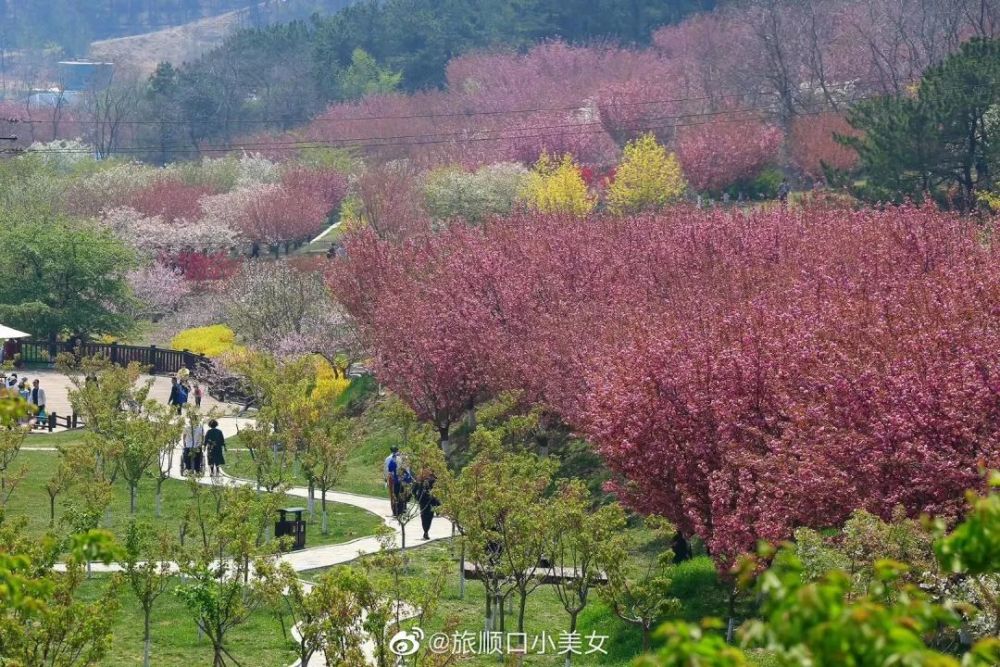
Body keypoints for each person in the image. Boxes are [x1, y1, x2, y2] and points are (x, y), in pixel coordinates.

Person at [413, 471, 440, 540]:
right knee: (424, 517)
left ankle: (426, 531)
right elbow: (414, 490)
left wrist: (437, 502)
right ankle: (425, 531)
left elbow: (437, 492)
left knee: (429, 517)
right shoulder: (420, 481)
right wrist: (417, 498)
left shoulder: (434, 481)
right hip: (423, 501)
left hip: (431, 501)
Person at [384, 446, 400, 515]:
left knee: (392, 494)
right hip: (399, 478)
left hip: (391, 478)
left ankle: (394, 511)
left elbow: (385, 470)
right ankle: (400, 509)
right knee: (399, 493)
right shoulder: (400, 458)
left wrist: (385, 478)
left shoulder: (387, 458)